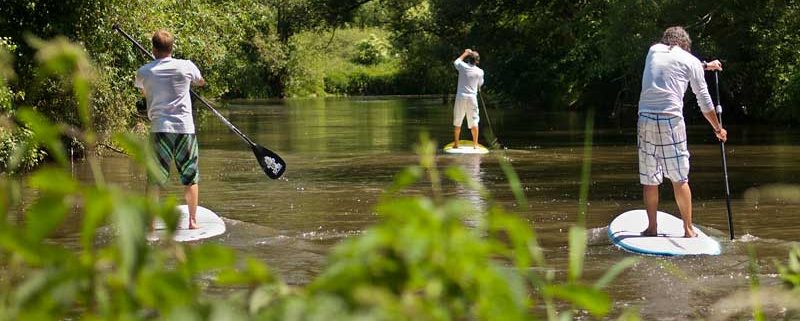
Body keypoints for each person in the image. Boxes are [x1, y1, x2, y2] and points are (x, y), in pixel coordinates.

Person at [637, 26, 727, 238]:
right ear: (685, 46)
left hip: (645, 118)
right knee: (679, 178)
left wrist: (705, 65)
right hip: (670, 120)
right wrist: (718, 128)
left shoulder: (653, 50)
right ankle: (688, 230)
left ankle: (652, 228)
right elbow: (704, 100)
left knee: (650, 179)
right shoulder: (691, 61)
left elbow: (676, 62)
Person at [135, 29, 205, 229]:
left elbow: (143, 91)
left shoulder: (144, 71)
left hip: (160, 130)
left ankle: (150, 222)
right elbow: (200, 82)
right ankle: (192, 221)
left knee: (154, 179)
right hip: (185, 129)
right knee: (190, 176)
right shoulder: (187, 66)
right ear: (172, 47)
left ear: (153, 48)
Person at [452, 48, 485, 149]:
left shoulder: (462, 66)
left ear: (468, 60)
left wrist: (465, 53)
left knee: (458, 120)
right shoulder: (480, 71)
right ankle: (475, 145)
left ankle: (456, 144)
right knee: (474, 120)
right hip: (472, 98)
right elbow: (480, 84)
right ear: (477, 61)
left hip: (461, 97)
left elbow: (456, 62)